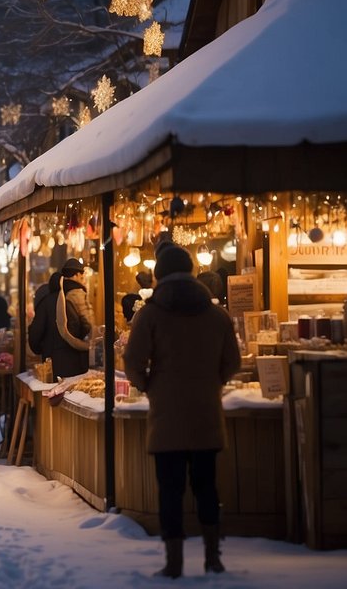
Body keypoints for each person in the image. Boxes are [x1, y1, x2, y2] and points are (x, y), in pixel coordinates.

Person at [124, 244, 241, 578]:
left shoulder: (150, 313)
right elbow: (232, 362)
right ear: (191, 272)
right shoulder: (216, 314)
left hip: (166, 417)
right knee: (207, 487)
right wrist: (213, 383)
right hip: (206, 413)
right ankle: (212, 556)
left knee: (170, 489)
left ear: (159, 274)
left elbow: (133, 361)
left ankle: (174, 562)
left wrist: (148, 386)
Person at [39, 258, 94, 380]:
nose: (83, 278)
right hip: (75, 353)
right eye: (82, 275)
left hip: (56, 354)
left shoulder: (59, 292)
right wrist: (92, 340)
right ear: (77, 274)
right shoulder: (77, 293)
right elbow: (88, 323)